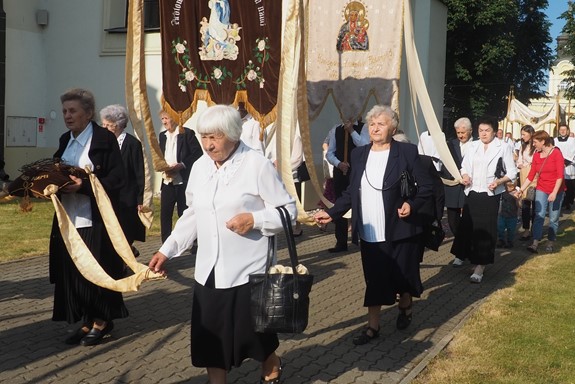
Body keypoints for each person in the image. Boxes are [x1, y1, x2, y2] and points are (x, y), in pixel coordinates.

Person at [149, 105, 296, 384]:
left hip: (247, 268)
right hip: (208, 268)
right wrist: (166, 250)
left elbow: (288, 211)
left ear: (232, 134)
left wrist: (254, 219)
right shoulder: (200, 166)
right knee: (209, 337)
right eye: (204, 137)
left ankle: (271, 363)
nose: (208, 144)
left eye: (214, 137)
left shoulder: (256, 164)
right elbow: (192, 214)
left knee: (253, 334)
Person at [314, 105, 433, 344]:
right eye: (372, 124)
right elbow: (350, 193)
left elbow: (427, 187)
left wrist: (411, 203)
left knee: (401, 279)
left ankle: (406, 303)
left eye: (381, 123)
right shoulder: (359, 155)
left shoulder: (407, 152)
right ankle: (373, 327)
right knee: (375, 279)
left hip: (399, 229)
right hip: (369, 229)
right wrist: (332, 213)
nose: (375, 128)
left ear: (393, 127)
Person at [50, 88, 128, 346]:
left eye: (72, 111)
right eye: (64, 111)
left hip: (95, 220)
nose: (67, 116)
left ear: (88, 113)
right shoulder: (65, 140)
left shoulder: (104, 139)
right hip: (68, 219)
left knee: (97, 269)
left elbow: (117, 180)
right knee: (74, 273)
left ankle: (102, 321)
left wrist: (83, 186)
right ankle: (86, 320)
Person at [450, 116, 517, 284]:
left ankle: (480, 266)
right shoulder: (473, 146)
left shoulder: (503, 147)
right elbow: (464, 166)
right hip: (472, 192)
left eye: (487, 130)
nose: (483, 134)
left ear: (494, 131)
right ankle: (462, 255)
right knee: (467, 225)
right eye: (481, 130)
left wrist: (499, 182)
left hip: (490, 194)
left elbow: (512, 172)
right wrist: (465, 176)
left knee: (485, 229)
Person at [100, 104, 146, 254]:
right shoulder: (104, 143)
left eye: (107, 125)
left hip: (127, 197)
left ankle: (127, 260)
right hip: (109, 194)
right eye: (103, 124)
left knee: (125, 229)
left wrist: (140, 199)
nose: (104, 127)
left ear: (117, 125)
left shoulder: (132, 144)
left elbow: (139, 172)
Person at [515, 130, 565, 253]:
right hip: (542, 188)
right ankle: (535, 242)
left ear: (543, 141)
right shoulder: (537, 154)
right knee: (539, 215)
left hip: (556, 190)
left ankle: (550, 241)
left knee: (553, 218)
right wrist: (521, 189)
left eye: (535, 142)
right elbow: (531, 175)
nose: (533, 145)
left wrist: (554, 192)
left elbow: (560, 176)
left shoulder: (556, 154)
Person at [158, 110, 203, 242]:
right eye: (162, 119)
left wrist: (181, 165)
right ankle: (165, 244)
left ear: (175, 118)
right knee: (165, 213)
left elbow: (197, 154)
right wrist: (163, 167)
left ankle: (192, 242)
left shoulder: (187, 133)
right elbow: (161, 154)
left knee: (184, 213)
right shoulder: (162, 136)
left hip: (182, 180)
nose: (164, 122)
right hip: (167, 181)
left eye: (166, 118)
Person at [325, 118, 366, 252]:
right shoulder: (336, 129)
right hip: (341, 173)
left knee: (362, 204)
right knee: (340, 204)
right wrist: (339, 164)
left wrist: (352, 131)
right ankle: (341, 241)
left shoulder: (364, 127)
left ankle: (364, 238)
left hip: (360, 172)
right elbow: (330, 153)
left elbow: (365, 146)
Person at [441, 118, 473, 261]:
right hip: (453, 187)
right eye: (458, 132)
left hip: (470, 187)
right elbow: (445, 164)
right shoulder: (450, 144)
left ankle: (460, 254)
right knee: (453, 221)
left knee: (467, 220)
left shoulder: (477, 145)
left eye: (463, 132)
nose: (460, 135)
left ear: (470, 131)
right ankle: (463, 246)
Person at [516, 125, 536, 240]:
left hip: (534, 178)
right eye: (521, 134)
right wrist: (520, 164)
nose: (522, 137)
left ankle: (535, 228)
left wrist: (529, 165)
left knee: (535, 204)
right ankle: (526, 229)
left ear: (531, 134)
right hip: (524, 175)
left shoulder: (535, 146)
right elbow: (519, 159)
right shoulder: (522, 146)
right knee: (525, 204)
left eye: (524, 134)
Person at [554, 123, 575, 211]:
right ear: (559, 131)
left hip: (569, 165)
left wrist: (565, 162)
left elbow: (573, 152)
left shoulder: (572, 140)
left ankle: (569, 202)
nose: (562, 131)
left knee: (569, 185)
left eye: (564, 130)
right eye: (561, 130)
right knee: (560, 185)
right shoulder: (555, 140)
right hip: (557, 165)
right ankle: (562, 202)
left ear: (567, 131)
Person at [497, 181, 520, 248]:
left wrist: (517, 199)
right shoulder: (503, 192)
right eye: (507, 186)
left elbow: (519, 205)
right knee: (500, 227)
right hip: (502, 214)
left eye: (511, 186)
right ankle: (501, 240)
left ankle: (510, 242)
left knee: (511, 230)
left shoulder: (516, 193)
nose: (508, 188)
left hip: (512, 216)